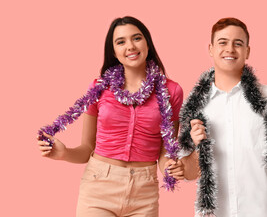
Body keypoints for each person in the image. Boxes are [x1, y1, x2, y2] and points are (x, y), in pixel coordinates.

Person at [37, 16, 184, 217]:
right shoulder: (100, 88)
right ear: (114, 52)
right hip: (98, 189)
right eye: (121, 42)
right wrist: (63, 153)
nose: (130, 46)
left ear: (147, 43)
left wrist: (171, 165)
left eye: (137, 38)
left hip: (144, 193)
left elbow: (164, 151)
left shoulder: (171, 91)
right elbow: (87, 148)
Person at [179, 17, 267, 216]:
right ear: (211, 49)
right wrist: (198, 146)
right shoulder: (194, 106)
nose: (230, 49)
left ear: (247, 51)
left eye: (238, 43)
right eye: (222, 42)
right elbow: (188, 173)